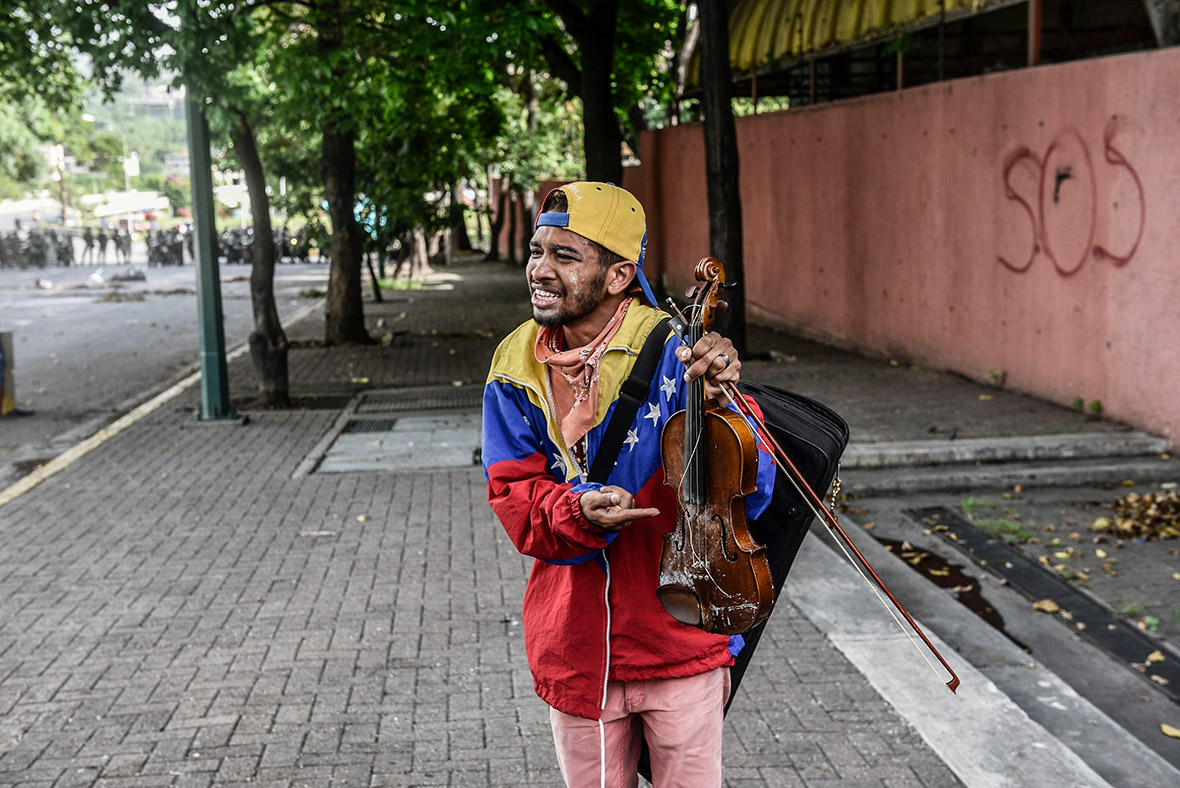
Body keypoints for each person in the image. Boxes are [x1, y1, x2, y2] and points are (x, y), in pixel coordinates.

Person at [481, 182, 775, 787]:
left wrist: (725, 407)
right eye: (537, 251)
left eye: (565, 256)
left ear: (618, 275)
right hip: (577, 644)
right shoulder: (515, 364)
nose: (540, 269)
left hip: (680, 636)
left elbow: (756, 486)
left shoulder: (680, 351)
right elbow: (514, 495)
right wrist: (577, 509)